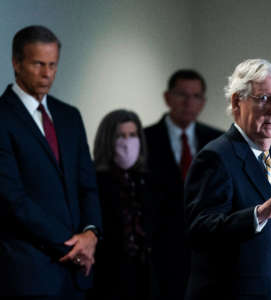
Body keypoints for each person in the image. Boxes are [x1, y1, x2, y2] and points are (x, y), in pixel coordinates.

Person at [184, 59, 271, 300]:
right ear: (238, 101)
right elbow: (201, 231)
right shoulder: (216, 157)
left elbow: (266, 235)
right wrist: (259, 213)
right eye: (264, 99)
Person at [0, 25, 102, 299]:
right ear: (16, 63)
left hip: (77, 275)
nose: (47, 73)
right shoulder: (2, 117)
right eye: (38, 64)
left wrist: (91, 233)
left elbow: (87, 185)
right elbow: (12, 199)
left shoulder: (69, 116)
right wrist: (72, 246)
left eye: (53, 65)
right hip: (28, 272)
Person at [144, 69, 223, 299]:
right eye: (182, 95)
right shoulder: (143, 139)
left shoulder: (218, 142)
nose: (189, 102)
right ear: (167, 97)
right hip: (159, 251)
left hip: (207, 253)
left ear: (203, 102)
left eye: (196, 96)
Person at [90, 109, 158, 299]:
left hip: (144, 274)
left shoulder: (147, 180)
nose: (127, 143)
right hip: (109, 275)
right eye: (120, 136)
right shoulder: (94, 181)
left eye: (132, 135)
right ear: (108, 140)